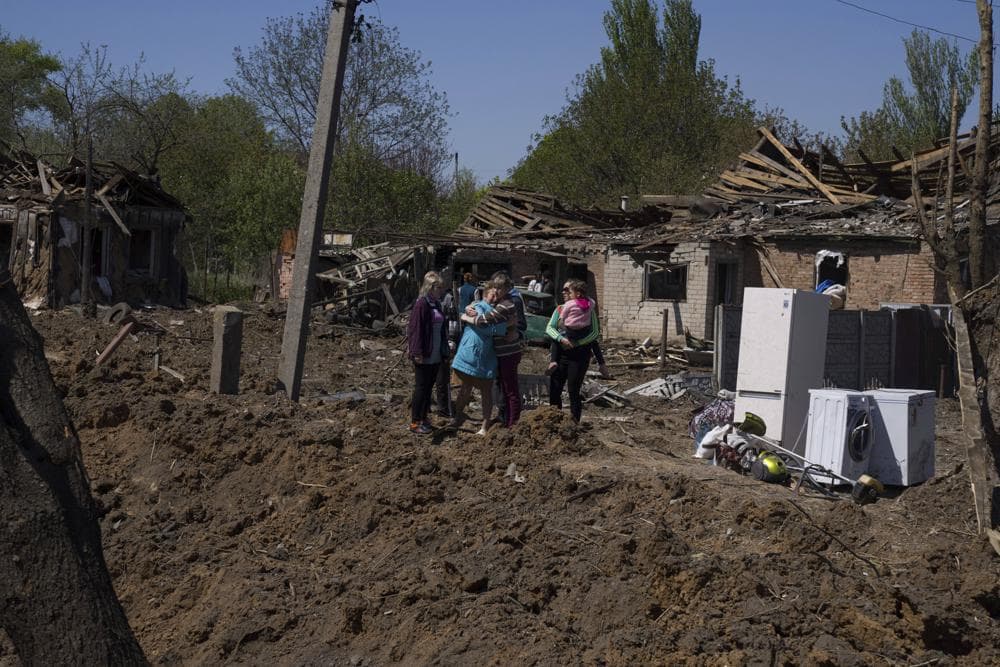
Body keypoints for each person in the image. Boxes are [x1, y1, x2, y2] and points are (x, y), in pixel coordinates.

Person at [463, 272, 526, 427]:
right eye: (495, 287)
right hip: (504, 351)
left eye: (500, 288)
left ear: (506, 288)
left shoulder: (506, 305)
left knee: (510, 389)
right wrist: (470, 307)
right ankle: (506, 419)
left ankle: (512, 423)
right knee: (504, 387)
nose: (496, 291)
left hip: (508, 352)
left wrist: (465, 317)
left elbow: (484, 320)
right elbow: (486, 312)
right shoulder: (502, 303)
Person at [545, 279, 604, 422]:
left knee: (573, 390)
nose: (564, 292)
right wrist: (561, 339)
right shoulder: (559, 309)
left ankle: (574, 423)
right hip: (560, 355)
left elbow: (595, 333)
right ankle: (555, 420)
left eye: (567, 290)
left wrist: (577, 343)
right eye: (564, 290)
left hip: (579, 357)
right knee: (554, 390)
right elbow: (550, 328)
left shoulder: (588, 310)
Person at [452, 287, 506, 435]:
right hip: (470, 353)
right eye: (492, 294)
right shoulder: (477, 305)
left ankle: (484, 425)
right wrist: (476, 320)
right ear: (484, 294)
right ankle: (457, 417)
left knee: (486, 391)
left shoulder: (501, 310)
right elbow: (484, 324)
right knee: (465, 388)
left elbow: (500, 329)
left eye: (497, 294)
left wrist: (474, 320)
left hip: (486, 357)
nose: (495, 297)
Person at [405, 271, 449, 435]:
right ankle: (415, 422)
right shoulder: (421, 304)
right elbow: (415, 330)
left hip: (435, 353)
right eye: (438, 287)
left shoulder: (436, 304)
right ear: (430, 288)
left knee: (429, 388)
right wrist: (417, 352)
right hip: (424, 353)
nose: (441, 291)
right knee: (421, 388)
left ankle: (424, 418)